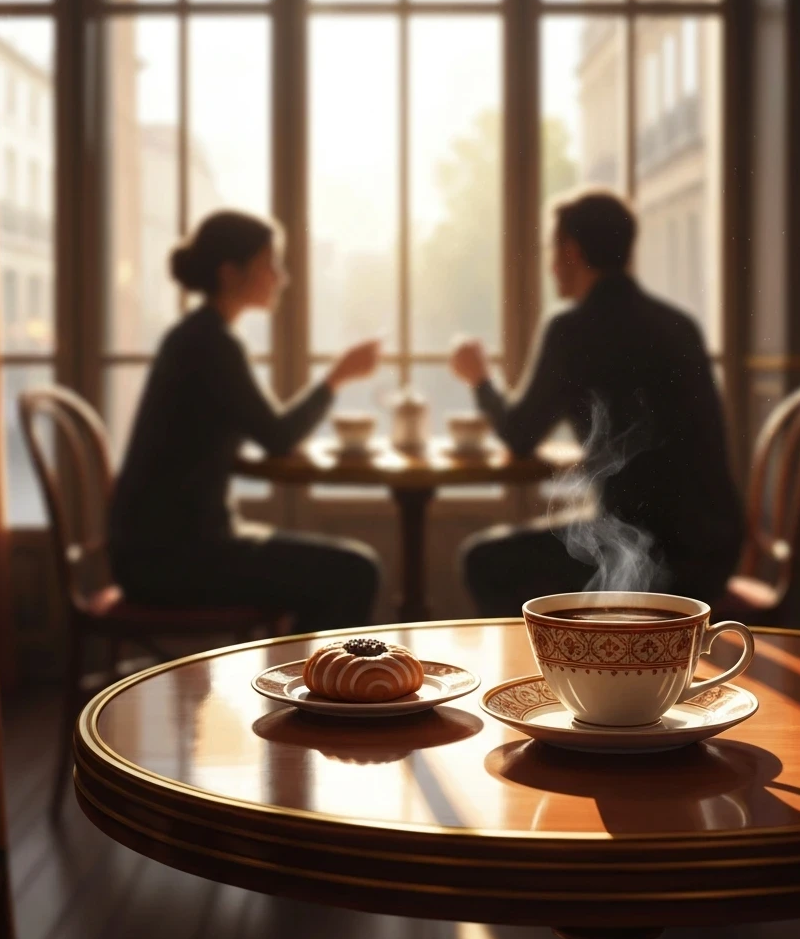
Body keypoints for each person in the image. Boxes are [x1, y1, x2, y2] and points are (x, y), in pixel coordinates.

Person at [450, 189, 743, 615]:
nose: (552, 266)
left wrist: (480, 380)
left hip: (647, 554)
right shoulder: (678, 325)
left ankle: (557, 671)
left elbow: (519, 434)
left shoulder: (573, 330)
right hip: (713, 551)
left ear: (571, 250)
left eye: (554, 250)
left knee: (485, 561)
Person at [109, 210, 382, 634]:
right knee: (355, 571)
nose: (281, 277)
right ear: (230, 273)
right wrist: (337, 376)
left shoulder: (196, 337)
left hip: (152, 553)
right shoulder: (211, 345)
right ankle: (321, 692)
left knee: (344, 569)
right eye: (269, 264)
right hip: (176, 560)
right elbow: (278, 435)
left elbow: (261, 434)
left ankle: (309, 686)